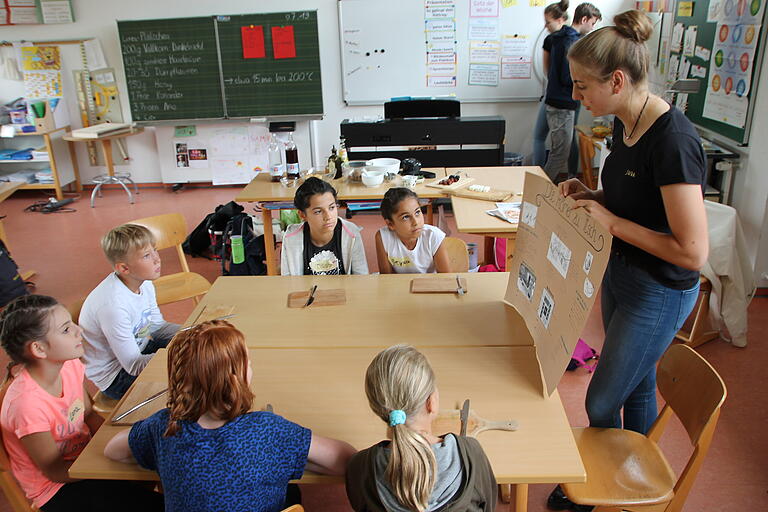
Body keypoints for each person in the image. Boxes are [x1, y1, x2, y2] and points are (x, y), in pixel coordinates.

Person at [548, 10, 707, 511]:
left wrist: (611, 224)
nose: (576, 96)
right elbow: (633, 202)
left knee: (599, 400)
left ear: (617, 80)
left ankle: (599, 483)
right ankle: (628, 485)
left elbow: (692, 250)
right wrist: (590, 193)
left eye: (582, 86)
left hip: (661, 288)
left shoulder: (674, 142)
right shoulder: (625, 120)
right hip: (624, 273)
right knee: (637, 382)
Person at [104, 320, 356, 512]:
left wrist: (161, 455)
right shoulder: (269, 431)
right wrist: (295, 458)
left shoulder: (163, 426)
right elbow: (347, 460)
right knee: (293, 492)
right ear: (238, 378)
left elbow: (112, 450)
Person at [0, 295, 164, 512]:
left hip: (85, 461)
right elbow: (54, 471)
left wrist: (122, 444)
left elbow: (87, 414)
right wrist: (113, 464)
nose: (79, 330)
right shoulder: (26, 405)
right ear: (39, 349)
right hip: (58, 488)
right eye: (66, 329)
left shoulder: (68, 366)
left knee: (163, 467)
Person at [346, 344, 497, 512]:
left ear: (378, 409)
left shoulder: (360, 467)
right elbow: (488, 506)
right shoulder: (471, 454)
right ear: (431, 403)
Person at [79, 224, 179, 400]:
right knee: (196, 376)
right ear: (124, 268)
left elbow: (156, 327)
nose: (157, 259)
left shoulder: (143, 282)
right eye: (147, 256)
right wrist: (181, 355)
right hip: (117, 376)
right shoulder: (113, 307)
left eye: (155, 251)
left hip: (141, 347)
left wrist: (194, 332)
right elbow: (133, 366)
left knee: (204, 347)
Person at [542, 1, 602, 182]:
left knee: (560, 150)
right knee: (559, 154)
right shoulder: (572, 42)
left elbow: (553, 70)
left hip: (558, 101)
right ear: (584, 19)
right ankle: (537, 190)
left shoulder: (559, 36)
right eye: (592, 24)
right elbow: (567, 76)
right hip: (562, 103)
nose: (592, 28)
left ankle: (543, 187)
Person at [281, 177, 369, 275]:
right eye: (318, 211)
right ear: (303, 215)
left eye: (331, 207)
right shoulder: (291, 238)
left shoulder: (351, 233)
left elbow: (361, 277)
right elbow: (288, 280)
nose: (328, 217)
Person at [375, 188, 451, 274]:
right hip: (398, 286)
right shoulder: (383, 237)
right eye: (405, 217)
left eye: (417, 212)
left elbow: (445, 278)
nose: (416, 222)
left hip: (429, 285)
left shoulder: (433, 236)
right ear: (390, 224)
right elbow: (386, 279)